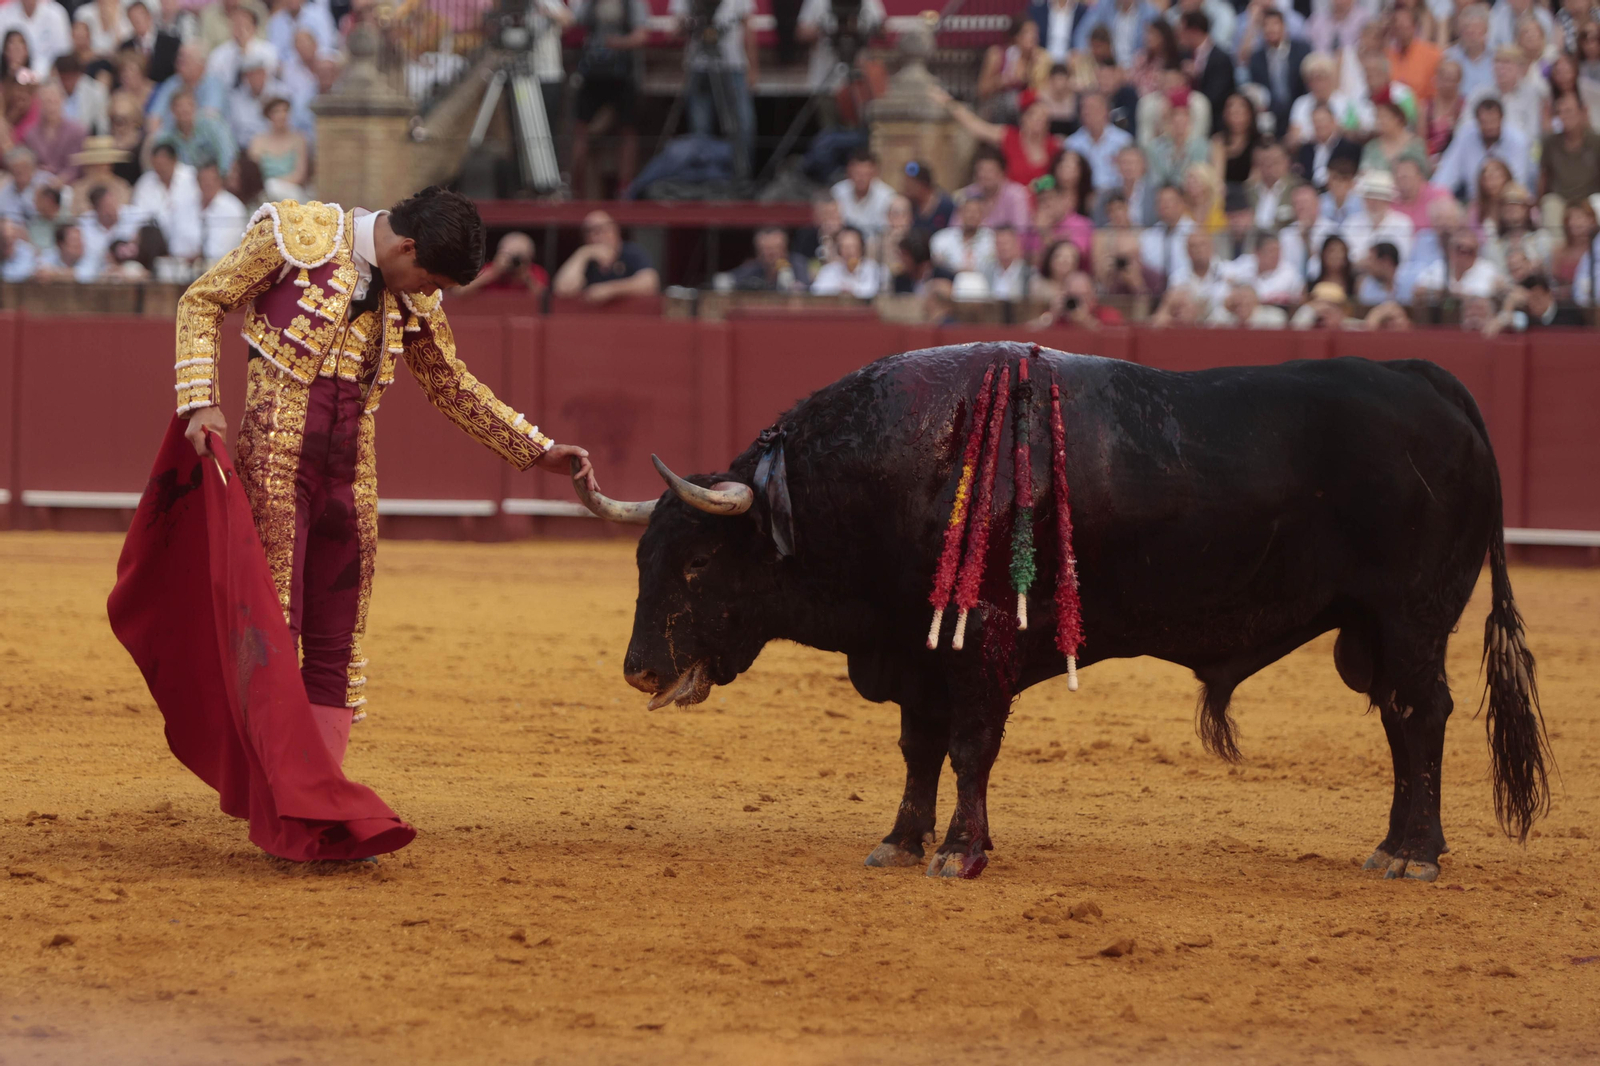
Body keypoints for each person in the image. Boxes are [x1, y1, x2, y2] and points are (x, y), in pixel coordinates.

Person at [170, 188, 595, 785]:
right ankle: (277, 791)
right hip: (276, 463)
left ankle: (315, 792)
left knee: (338, 643)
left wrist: (537, 450)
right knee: (275, 626)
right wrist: (200, 403)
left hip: (351, 476)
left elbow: (450, 383)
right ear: (406, 246)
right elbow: (203, 300)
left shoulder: (414, 292)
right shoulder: (296, 235)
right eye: (428, 277)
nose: (429, 293)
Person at [667, 0, 756, 178]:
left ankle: (742, 177)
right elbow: (675, 29)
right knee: (700, 127)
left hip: (732, 65)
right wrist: (689, 23)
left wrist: (753, 67)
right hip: (698, 66)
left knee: (742, 125)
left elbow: (748, 26)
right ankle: (703, 177)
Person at [570, 0, 647, 197]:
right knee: (581, 130)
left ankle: (624, 188)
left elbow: (641, 36)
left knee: (628, 131)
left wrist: (617, 43)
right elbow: (575, 21)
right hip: (592, 73)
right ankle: (576, 189)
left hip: (623, 75)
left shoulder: (633, 4)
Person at [934, 85, 1065, 188]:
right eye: (1034, 116)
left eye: (1043, 118)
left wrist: (1037, 187)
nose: (1038, 121)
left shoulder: (1055, 146)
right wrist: (948, 103)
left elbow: (1058, 180)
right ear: (1023, 118)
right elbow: (976, 126)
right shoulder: (1009, 136)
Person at [552, 211, 660, 303]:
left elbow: (650, 283)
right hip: (591, 321)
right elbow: (563, 289)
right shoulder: (586, 258)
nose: (598, 236)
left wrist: (609, 290)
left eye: (603, 230)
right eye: (590, 231)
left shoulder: (631, 252)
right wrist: (583, 254)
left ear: (615, 231)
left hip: (629, 319)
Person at [1247, 8, 1310, 138]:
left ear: (1284, 27)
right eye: (1266, 25)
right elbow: (1258, 90)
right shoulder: (1256, 58)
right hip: (1270, 115)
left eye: (1275, 24)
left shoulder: (1302, 50)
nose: (1271, 29)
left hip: (1299, 109)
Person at [132, 140, 200, 258]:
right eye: (156, 165)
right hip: (156, 249)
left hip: (190, 246)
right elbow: (139, 216)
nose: (160, 169)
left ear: (174, 160)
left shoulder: (192, 178)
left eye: (164, 164)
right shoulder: (144, 183)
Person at [152, 87, 236, 174]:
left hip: (214, 178)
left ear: (196, 107)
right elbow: (157, 157)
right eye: (179, 106)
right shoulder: (167, 136)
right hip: (183, 182)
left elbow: (227, 153)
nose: (184, 109)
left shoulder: (212, 125)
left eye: (189, 104)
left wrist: (221, 176)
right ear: (172, 110)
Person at [1540, 92, 1600, 213]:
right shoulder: (1550, 142)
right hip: (1560, 200)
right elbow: (1544, 176)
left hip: (1590, 200)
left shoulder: (1596, 142)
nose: (1564, 116)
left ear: (1581, 112)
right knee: (1549, 203)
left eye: (1568, 111)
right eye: (1559, 112)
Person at [1062, 90, 1131, 191]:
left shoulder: (1123, 141)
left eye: (1093, 108)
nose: (1088, 112)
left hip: (1116, 196)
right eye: (1084, 109)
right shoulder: (1072, 144)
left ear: (1106, 111)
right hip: (1085, 196)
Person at [1413, 227, 1505, 300]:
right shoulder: (1439, 267)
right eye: (1459, 249)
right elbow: (1418, 290)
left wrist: (1447, 293)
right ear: (1450, 250)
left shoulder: (1488, 270)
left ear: (1477, 252)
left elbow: (1486, 297)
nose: (1463, 255)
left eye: (1469, 251)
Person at [1180, 9, 1234, 133]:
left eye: (1183, 30)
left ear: (1194, 31)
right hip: (1185, 115)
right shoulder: (1184, 55)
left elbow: (1217, 96)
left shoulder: (1220, 58)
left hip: (1213, 120)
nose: (1180, 35)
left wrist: (1198, 76)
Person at [247, 96, 306, 200]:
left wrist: (277, 183)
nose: (282, 115)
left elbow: (299, 174)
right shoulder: (258, 142)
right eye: (277, 111)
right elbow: (253, 175)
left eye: (285, 111)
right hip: (264, 194)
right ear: (269, 115)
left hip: (291, 191)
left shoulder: (298, 139)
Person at [961, 146, 1032, 230]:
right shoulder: (969, 193)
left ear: (1002, 173)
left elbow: (1021, 231)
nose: (984, 175)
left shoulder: (1016, 195)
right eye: (981, 170)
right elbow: (955, 228)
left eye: (990, 170)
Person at [205, 5, 277, 88]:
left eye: (244, 25)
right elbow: (214, 83)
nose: (240, 29)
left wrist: (245, 50)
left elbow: (270, 81)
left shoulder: (268, 51)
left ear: (254, 28)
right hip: (229, 97)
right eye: (236, 24)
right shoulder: (218, 54)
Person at [831, 148, 896, 238]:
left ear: (875, 173)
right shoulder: (837, 193)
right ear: (849, 172)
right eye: (857, 173)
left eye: (866, 174)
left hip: (878, 246)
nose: (861, 179)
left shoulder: (887, 196)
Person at [1487, 273, 1589, 330]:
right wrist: (1510, 303)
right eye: (1528, 299)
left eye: (1537, 297)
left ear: (1549, 294)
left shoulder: (1570, 311)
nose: (1533, 303)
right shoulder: (1525, 316)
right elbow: (1492, 329)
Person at [1139, 181, 1194, 283]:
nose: (1164, 205)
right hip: (1153, 290)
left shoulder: (1195, 232)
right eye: (1160, 201)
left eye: (1169, 201)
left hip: (1186, 289)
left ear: (1182, 202)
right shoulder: (1149, 235)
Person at [1360, 95, 1430, 175]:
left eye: (1384, 116)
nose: (1380, 121)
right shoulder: (1371, 147)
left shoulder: (1416, 145)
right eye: (1377, 117)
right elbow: (1363, 173)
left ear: (1397, 118)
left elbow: (1425, 173)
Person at [0, 0, 69, 80]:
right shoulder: (4, 14)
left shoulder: (56, 14)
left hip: (49, 80)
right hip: (11, 78)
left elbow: (63, 54)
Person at [930, 194, 996, 276]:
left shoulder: (992, 240)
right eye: (968, 211)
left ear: (983, 215)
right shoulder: (942, 238)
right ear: (960, 213)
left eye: (977, 212)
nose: (972, 215)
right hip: (950, 281)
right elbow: (937, 265)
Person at [809, 225, 882, 297]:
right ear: (839, 249)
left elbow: (872, 291)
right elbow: (816, 291)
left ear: (861, 247)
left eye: (853, 246)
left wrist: (851, 290)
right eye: (845, 247)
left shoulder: (872, 268)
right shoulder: (829, 269)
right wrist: (839, 290)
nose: (849, 252)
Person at [1387, 5, 1442, 101]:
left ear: (1414, 27)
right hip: (1392, 110)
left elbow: (1436, 93)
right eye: (1397, 28)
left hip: (1422, 108)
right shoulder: (1385, 55)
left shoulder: (1433, 54)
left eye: (1405, 27)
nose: (1401, 32)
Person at [730, 226, 809, 292]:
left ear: (785, 249)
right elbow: (730, 280)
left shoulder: (798, 265)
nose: (771, 254)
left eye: (776, 248)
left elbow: (806, 287)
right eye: (766, 249)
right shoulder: (753, 267)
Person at [195, 158, 245, 261]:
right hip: (182, 267)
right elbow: (177, 244)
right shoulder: (188, 205)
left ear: (220, 181)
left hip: (223, 269)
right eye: (203, 180)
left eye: (211, 180)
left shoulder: (233, 208)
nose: (207, 185)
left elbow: (219, 251)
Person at [1445, 4, 1495, 98]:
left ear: (1486, 30)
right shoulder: (1450, 57)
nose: (1470, 32)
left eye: (1476, 28)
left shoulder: (1496, 58)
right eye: (1466, 28)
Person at [902, 159, 953, 235]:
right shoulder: (908, 205)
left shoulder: (946, 206)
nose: (906, 187)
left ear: (923, 184)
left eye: (910, 184)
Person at [987, 224, 1030, 299]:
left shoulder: (1027, 274)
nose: (1003, 247)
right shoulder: (987, 271)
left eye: (1007, 243)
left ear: (1016, 244)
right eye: (999, 243)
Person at [1355, 240, 1404, 304]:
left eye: (1371, 259)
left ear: (1386, 262)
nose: (1368, 264)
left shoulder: (1410, 287)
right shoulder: (1366, 286)